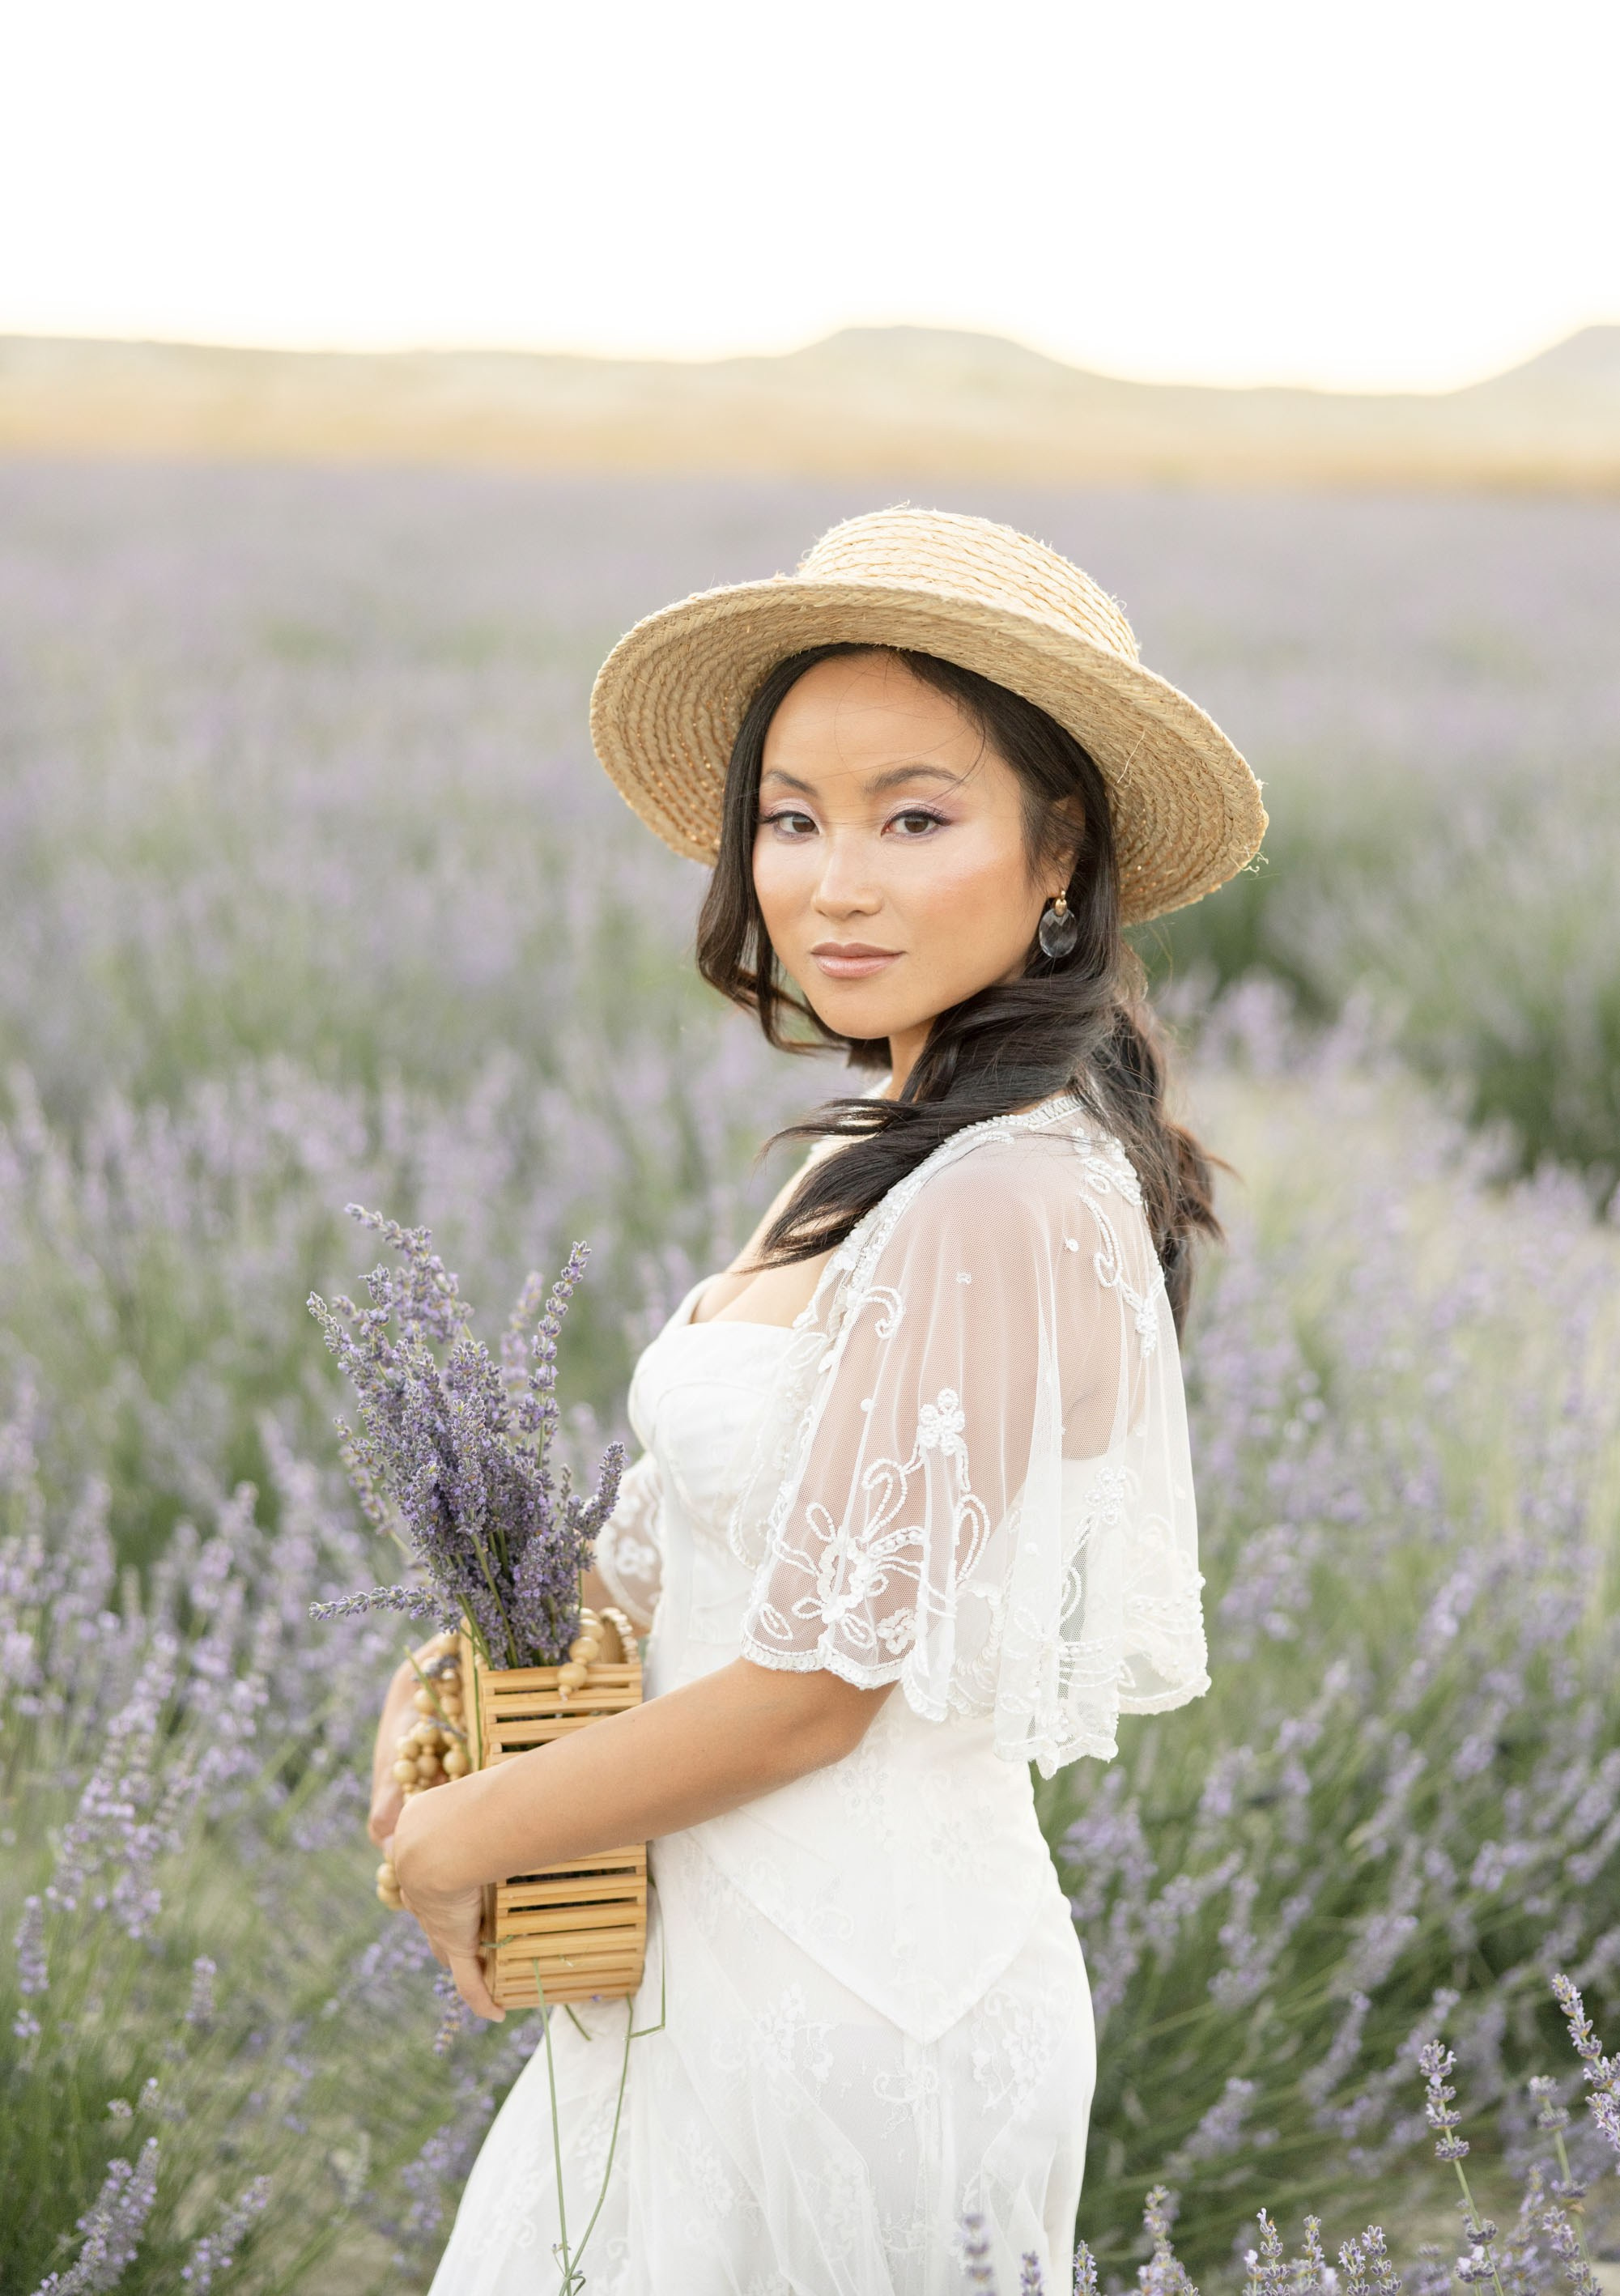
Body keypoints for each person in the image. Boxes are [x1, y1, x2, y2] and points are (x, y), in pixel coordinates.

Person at [376, 508, 1266, 2294]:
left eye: (912, 817)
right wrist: (438, 1697)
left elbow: (806, 1696)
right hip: (687, 1964)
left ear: (1055, 854)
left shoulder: (1005, 1192)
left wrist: (465, 1839)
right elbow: (679, 1556)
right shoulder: (876, 1153)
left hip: (851, 2003)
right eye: (791, 817)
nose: (831, 883)